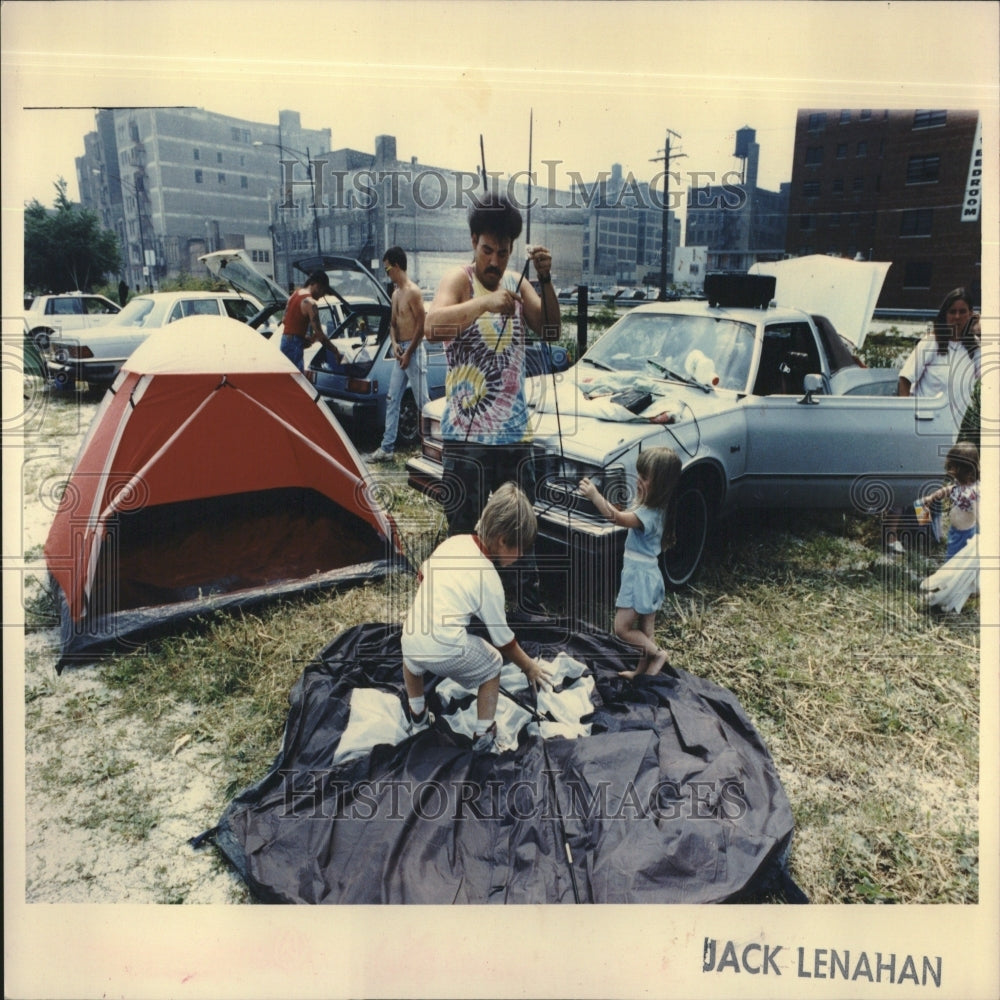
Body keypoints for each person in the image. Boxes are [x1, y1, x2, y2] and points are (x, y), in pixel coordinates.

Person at [424, 191, 561, 613]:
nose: (495, 262)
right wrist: (485, 301)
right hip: (468, 441)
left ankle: (519, 621)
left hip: (515, 436)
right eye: (488, 250)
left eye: (503, 252)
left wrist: (545, 280)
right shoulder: (459, 279)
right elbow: (432, 326)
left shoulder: (518, 284)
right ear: (473, 242)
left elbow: (551, 330)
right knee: (465, 537)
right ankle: (460, 619)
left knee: (519, 537)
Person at [400, 482, 554, 753]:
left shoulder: (453, 542)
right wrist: (529, 667)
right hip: (444, 647)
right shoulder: (489, 580)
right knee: (493, 664)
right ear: (503, 541)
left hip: (411, 636)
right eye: (520, 550)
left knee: (412, 661)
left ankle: (418, 715)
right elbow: (504, 641)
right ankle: (483, 734)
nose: (521, 557)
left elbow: (422, 573)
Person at [885, 287, 982, 554]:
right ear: (944, 314)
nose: (957, 317)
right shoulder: (931, 343)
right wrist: (907, 416)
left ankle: (924, 529)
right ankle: (891, 535)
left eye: (963, 312)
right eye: (953, 311)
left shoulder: (973, 349)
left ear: (971, 315)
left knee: (935, 482)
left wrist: (982, 331)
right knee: (909, 477)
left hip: (951, 428)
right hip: (922, 424)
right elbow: (905, 379)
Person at [578, 447, 681, 679]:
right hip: (650, 574)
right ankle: (641, 671)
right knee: (645, 632)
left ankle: (657, 655)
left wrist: (596, 496)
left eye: (644, 478)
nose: (638, 481)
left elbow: (616, 518)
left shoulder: (649, 514)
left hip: (639, 577)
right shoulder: (656, 508)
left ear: (661, 485)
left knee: (621, 628)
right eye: (639, 474)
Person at [366, 247, 427, 463]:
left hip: (414, 351)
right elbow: (392, 325)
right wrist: (394, 344)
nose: (387, 273)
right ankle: (387, 448)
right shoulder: (395, 294)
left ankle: (432, 448)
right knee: (392, 399)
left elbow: (422, 327)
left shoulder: (413, 292)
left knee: (424, 403)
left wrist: (409, 352)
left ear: (397, 266)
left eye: (388, 269)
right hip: (400, 350)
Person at [918, 441, 979, 560]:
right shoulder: (960, 483)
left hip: (966, 536)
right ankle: (930, 538)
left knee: (955, 565)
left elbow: (980, 515)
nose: (950, 471)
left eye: (953, 468)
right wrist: (933, 496)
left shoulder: (974, 492)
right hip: (955, 532)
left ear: (965, 469)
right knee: (952, 559)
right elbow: (950, 489)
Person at [280, 270, 342, 372]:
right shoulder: (310, 303)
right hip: (294, 345)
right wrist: (335, 351)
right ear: (318, 286)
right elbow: (320, 335)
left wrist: (300, 336)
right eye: (323, 291)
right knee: (298, 381)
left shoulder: (295, 294)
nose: (322, 295)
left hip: (285, 342)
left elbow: (284, 320)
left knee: (288, 379)